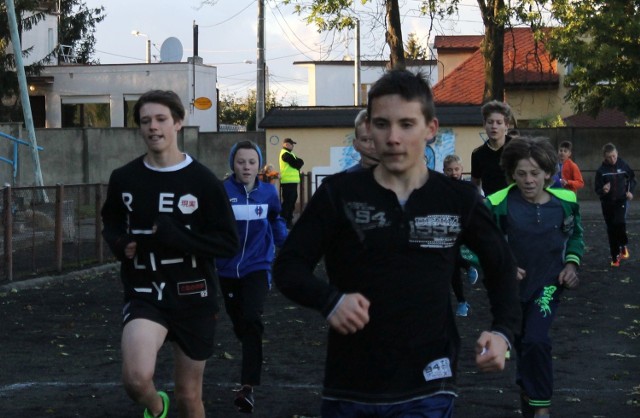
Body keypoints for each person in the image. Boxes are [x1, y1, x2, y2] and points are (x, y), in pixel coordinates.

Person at [273, 69, 521, 417]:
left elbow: (501, 264)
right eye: (382, 124)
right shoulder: (338, 195)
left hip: (429, 384)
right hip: (352, 386)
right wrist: (329, 300)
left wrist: (503, 332)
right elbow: (288, 266)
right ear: (368, 130)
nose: (392, 138)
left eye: (406, 124)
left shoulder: (457, 198)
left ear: (430, 129)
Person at [101, 90, 239, 418]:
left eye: (161, 119)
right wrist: (120, 244)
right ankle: (156, 405)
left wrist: (179, 237)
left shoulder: (203, 181)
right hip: (146, 291)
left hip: (194, 296)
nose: (153, 127)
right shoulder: (125, 178)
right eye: (146, 121)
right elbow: (111, 220)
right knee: (136, 379)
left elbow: (227, 243)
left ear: (178, 123)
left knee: (189, 397)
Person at [485, 136, 583, 418]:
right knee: (523, 345)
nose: (528, 180)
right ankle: (529, 392)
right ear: (511, 174)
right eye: (521, 174)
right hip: (510, 293)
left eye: (535, 173)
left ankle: (541, 408)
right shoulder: (497, 205)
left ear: (548, 174)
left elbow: (576, 234)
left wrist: (572, 265)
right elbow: (471, 246)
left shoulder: (565, 203)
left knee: (536, 340)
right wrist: (501, 267)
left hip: (548, 287)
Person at [215, 140, 288, 413]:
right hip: (226, 270)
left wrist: (288, 247)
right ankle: (247, 342)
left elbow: (276, 220)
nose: (246, 167)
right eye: (241, 161)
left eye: (251, 162)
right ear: (233, 164)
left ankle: (248, 388)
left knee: (251, 319)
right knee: (240, 323)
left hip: (257, 266)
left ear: (259, 165)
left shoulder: (268, 193)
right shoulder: (222, 192)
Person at [442, 154, 479, 317]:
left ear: (462, 170)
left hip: (463, 228)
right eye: (449, 170)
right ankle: (462, 302)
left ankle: (468, 267)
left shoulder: (467, 189)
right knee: (452, 268)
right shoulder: (441, 188)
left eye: (456, 169)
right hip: (447, 229)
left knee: (452, 260)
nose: (453, 173)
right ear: (444, 171)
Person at [594, 142, 636, 267]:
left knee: (620, 222)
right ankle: (615, 256)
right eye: (609, 157)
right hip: (607, 203)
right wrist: (603, 190)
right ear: (604, 157)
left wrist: (630, 192)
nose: (612, 159)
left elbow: (632, 180)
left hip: (621, 201)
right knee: (611, 229)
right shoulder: (601, 171)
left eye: (614, 156)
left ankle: (623, 245)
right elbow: (597, 189)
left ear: (617, 153)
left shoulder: (623, 165)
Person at [471, 100, 515, 196]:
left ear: (506, 125)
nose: (494, 126)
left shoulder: (517, 148)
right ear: (484, 125)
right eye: (490, 122)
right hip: (490, 204)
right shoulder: (478, 154)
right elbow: (475, 184)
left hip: (515, 203)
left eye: (499, 123)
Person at [279, 137, 304, 229]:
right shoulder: (284, 154)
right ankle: (284, 222)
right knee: (288, 203)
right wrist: (299, 162)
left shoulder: (290, 154)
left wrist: (299, 162)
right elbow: (297, 163)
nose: (293, 146)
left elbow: (300, 162)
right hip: (287, 182)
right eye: (291, 144)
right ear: (286, 144)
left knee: (291, 202)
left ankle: (288, 220)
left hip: (292, 182)